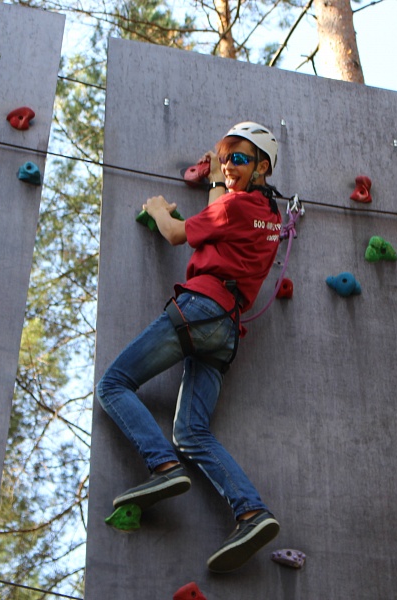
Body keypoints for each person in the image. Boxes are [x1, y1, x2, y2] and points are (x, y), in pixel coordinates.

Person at [96, 122, 283, 573]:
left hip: (200, 308)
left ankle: (162, 467)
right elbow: (223, 214)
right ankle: (251, 513)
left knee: (114, 384)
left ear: (263, 167)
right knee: (193, 433)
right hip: (225, 331)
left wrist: (160, 209)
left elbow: (178, 234)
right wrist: (219, 179)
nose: (227, 163)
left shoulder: (239, 209)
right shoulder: (268, 217)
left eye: (238, 158)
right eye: (223, 156)